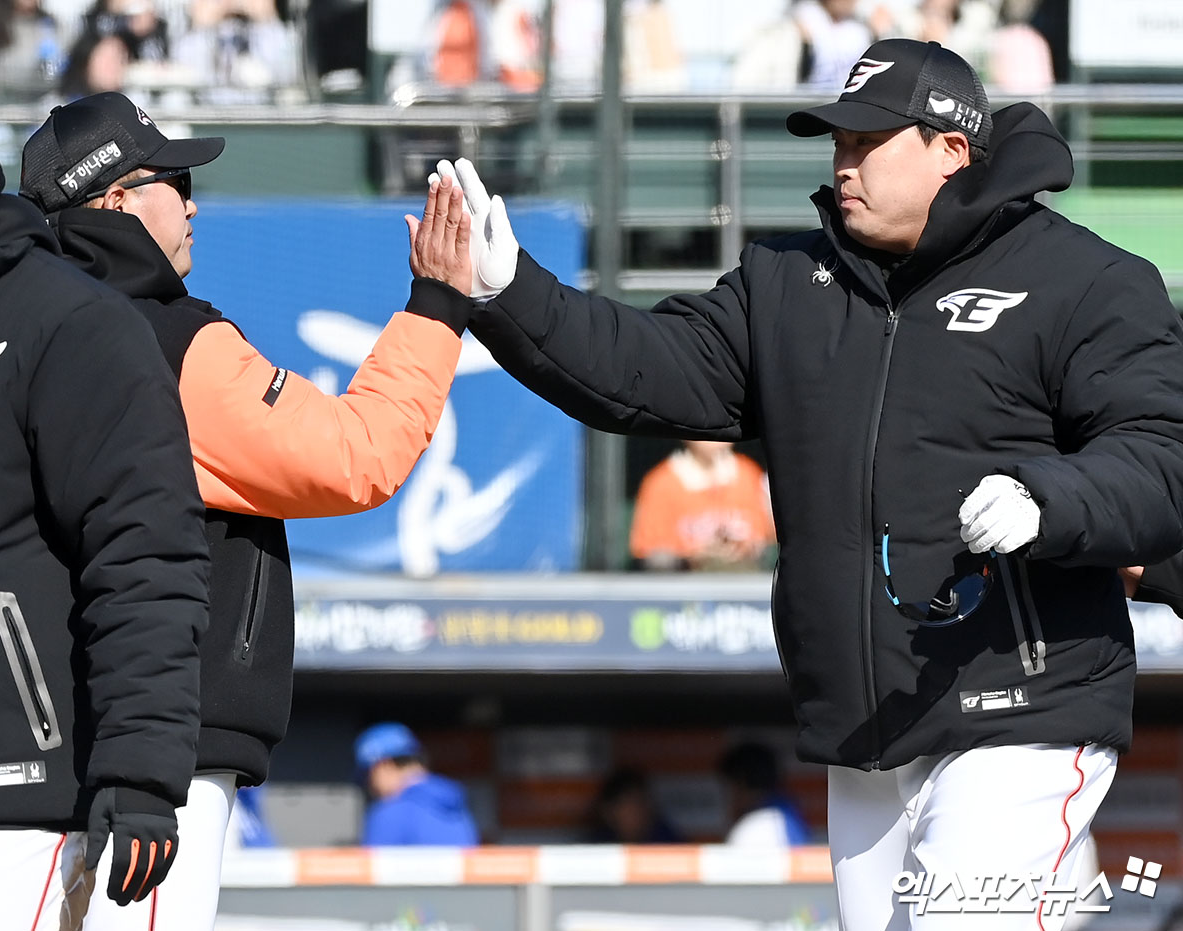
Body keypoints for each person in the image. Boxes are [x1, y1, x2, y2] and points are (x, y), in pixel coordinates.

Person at [425, 38, 1183, 929]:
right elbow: (645, 369)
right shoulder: (786, 281)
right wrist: (509, 291)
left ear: (952, 148)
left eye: (869, 139)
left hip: (1023, 710)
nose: (844, 161)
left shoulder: (1085, 280)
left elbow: (1161, 454)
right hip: (862, 728)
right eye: (837, 141)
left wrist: (1052, 499)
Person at [19, 91, 474, 930]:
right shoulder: (164, 340)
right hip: (155, 755)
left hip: (33, 748)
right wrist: (438, 303)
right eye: (174, 180)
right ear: (115, 199)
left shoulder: (21, 328)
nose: (192, 202)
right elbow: (356, 457)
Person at [0, 88, 210, 927]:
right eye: (173, 184)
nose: (191, 205)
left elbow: (146, 550)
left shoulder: (67, 320)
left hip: (21, 817)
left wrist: (143, 772)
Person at [629, 439, 774, 571]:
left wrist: (742, 548)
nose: (716, 437)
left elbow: (766, 542)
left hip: (744, 585)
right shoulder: (661, 483)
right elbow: (650, 556)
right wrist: (693, 556)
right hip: (686, 588)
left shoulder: (747, 473)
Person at [355, 723, 479, 846]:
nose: (370, 786)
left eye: (368, 775)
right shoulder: (456, 809)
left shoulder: (389, 814)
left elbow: (372, 864)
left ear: (383, 766)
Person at [717, 742, 809, 848]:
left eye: (727, 787)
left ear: (741, 782)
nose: (728, 798)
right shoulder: (788, 811)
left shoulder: (753, 828)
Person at [583, 768, 681, 845]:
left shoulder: (667, 842)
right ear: (608, 812)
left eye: (641, 804)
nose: (638, 813)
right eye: (629, 806)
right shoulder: (597, 847)